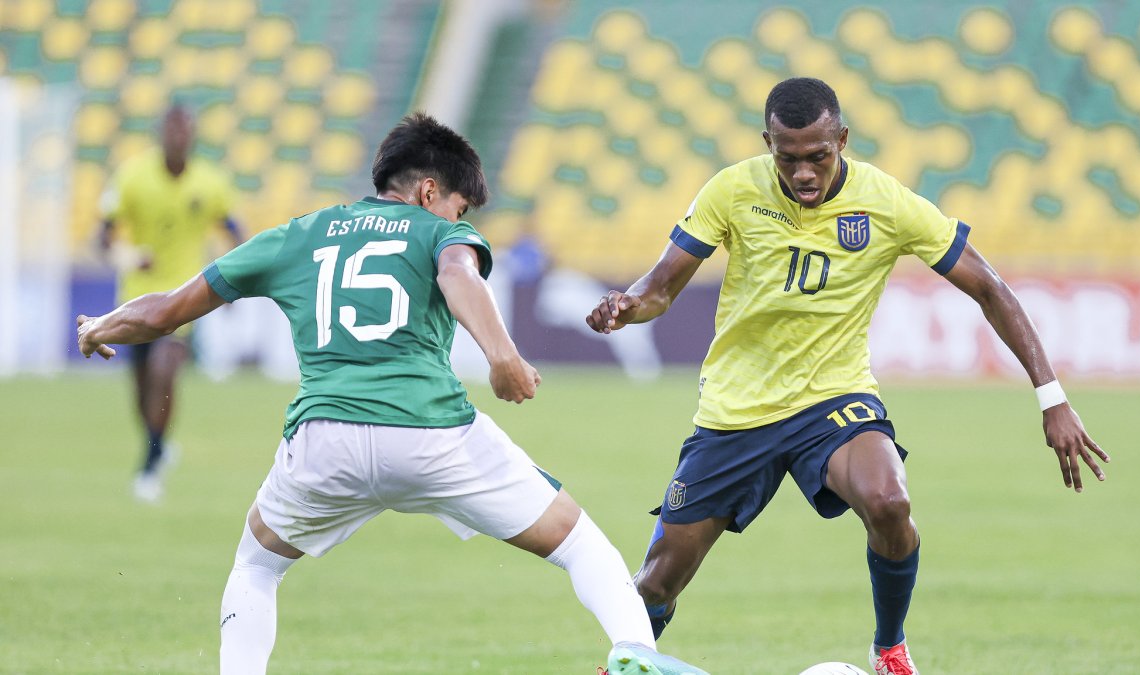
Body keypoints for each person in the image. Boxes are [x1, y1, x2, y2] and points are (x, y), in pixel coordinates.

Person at [77, 113, 706, 675]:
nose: (459, 222)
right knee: (578, 543)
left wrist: (102, 326)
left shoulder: (300, 233)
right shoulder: (437, 235)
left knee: (256, 567)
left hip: (324, 441)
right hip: (431, 433)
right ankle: (633, 654)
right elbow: (459, 274)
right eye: (460, 209)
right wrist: (502, 356)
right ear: (431, 191)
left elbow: (167, 309)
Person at [585, 78, 1110, 675]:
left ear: (842, 140)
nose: (804, 173)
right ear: (768, 144)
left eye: (818, 156)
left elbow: (989, 287)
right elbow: (658, 290)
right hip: (737, 410)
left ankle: (889, 649)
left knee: (889, 501)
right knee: (656, 584)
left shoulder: (885, 202)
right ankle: (624, 663)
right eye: (788, 159)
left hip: (832, 399)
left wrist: (1052, 397)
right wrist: (625, 306)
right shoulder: (732, 190)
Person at [99, 103, 243, 502]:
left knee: (166, 367)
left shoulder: (211, 182)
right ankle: (157, 442)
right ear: (161, 134)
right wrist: (128, 256)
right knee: (142, 384)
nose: (180, 138)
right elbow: (104, 236)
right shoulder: (132, 177)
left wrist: (236, 280)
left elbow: (235, 231)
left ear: (193, 136)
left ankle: (149, 465)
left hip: (183, 296)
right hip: (136, 296)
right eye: (173, 130)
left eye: (186, 131)